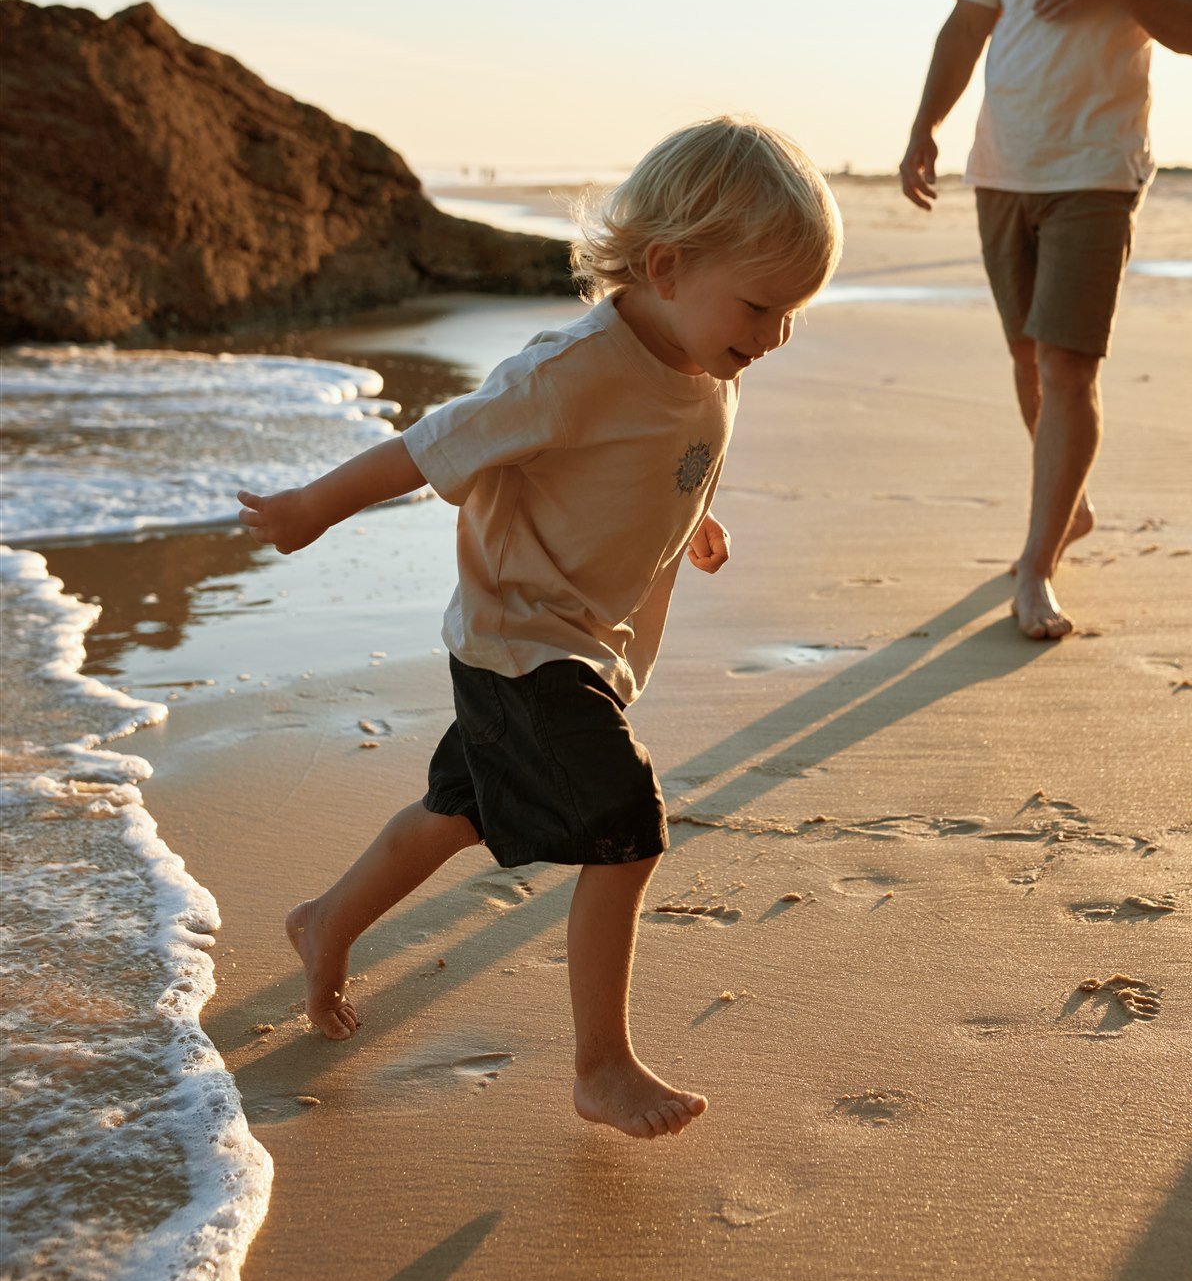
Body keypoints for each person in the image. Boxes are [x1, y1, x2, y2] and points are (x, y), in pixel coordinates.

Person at [237, 117, 842, 1140]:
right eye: (761, 305)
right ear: (665, 264)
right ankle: (600, 1064)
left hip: (583, 645)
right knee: (626, 828)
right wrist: (312, 505)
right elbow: (431, 446)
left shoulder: (711, 358)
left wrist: (691, 520)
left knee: (458, 809)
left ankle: (325, 920)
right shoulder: (566, 370)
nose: (774, 333)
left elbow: (658, 457)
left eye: (793, 312)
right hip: (523, 642)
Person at [898, 0, 1192, 641]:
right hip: (1004, 163)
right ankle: (1068, 507)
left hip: (1099, 166)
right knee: (1026, 358)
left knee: (1069, 365)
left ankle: (1038, 566)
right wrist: (924, 127)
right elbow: (967, 27)